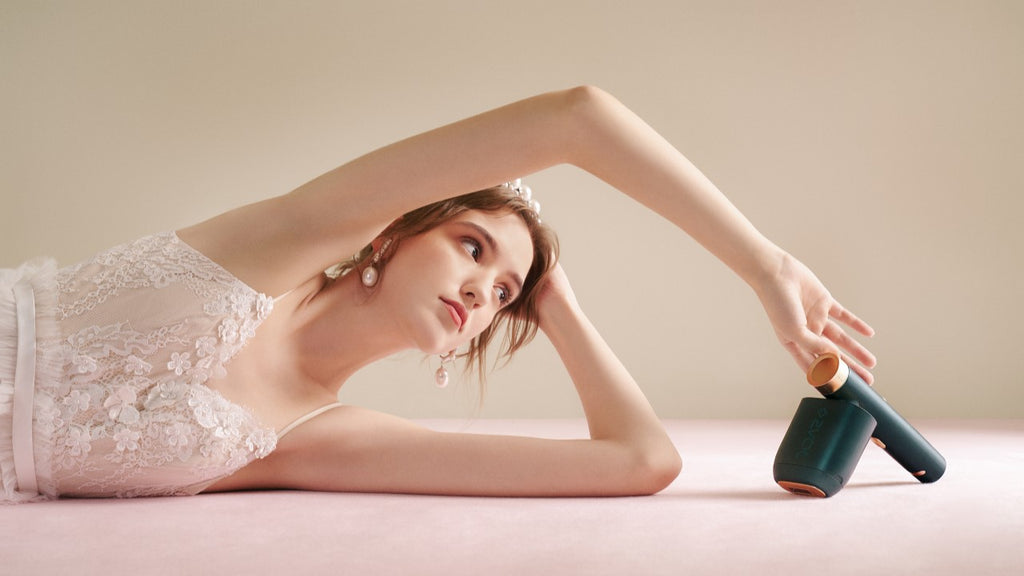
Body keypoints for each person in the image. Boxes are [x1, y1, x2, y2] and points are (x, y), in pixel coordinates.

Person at [1, 86, 876, 503]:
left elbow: (639, 463)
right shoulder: (281, 243)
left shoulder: (308, 442)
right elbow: (576, 119)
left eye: (502, 292)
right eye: (470, 246)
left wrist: (554, 303)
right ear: (385, 233)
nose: (481, 288)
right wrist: (765, 265)